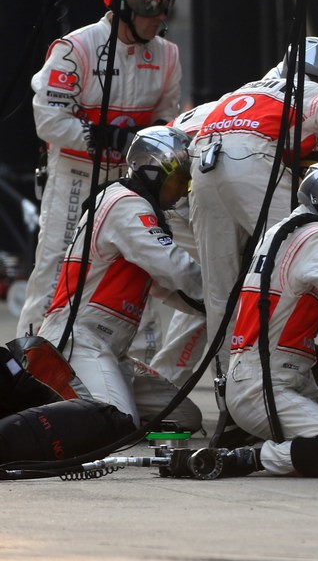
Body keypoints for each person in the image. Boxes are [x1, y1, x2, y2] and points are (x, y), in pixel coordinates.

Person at [19, 0, 183, 337]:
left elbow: (166, 120)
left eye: (166, 4)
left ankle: (133, 366)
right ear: (122, 3)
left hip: (132, 184)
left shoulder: (167, 55)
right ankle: (29, 358)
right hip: (75, 176)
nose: (159, 16)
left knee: (138, 265)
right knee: (57, 267)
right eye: (150, 4)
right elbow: (49, 119)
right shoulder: (75, 48)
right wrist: (100, 136)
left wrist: (139, 142)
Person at [193, 161, 318, 479]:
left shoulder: (285, 231)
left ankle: (274, 438)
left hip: (278, 379)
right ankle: (249, 458)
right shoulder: (315, 238)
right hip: (265, 386)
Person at [182, 37, 318, 366]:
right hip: (252, 162)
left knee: (220, 292)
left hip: (201, 164)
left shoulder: (243, 91)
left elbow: (179, 129)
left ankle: (229, 396)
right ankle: (315, 373)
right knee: (310, 257)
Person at [37, 126, 203, 430]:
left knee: (185, 418)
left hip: (112, 351)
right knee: (118, 422)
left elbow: (167, 289)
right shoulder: (125, 204)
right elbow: (173, 267)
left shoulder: (137, 206)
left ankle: (76, 398)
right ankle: (44, 401)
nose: (183, 192)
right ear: (155, 172)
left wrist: (219, 309)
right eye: (181, 180)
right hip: (78, 341)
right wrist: (228, 293)